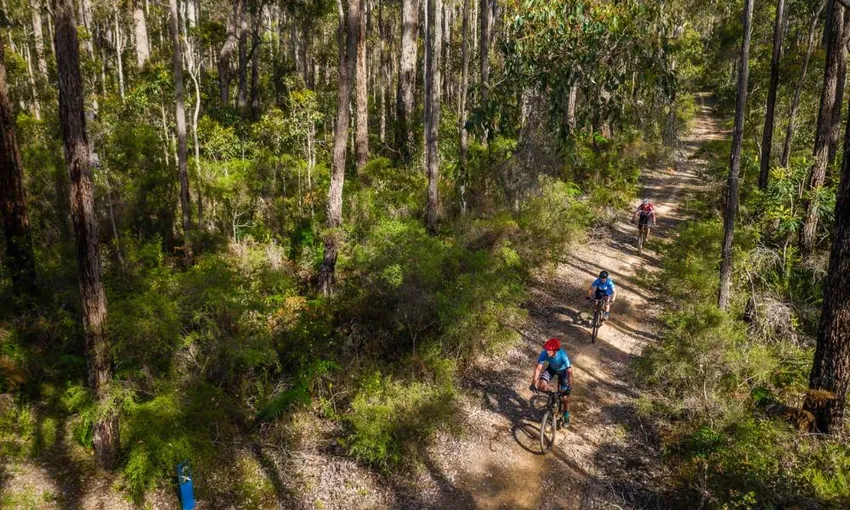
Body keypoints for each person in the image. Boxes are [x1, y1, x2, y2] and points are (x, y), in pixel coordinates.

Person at [529, 337, 573, 426]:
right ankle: (553, 396)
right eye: (547, 350)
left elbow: (569, 372)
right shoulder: (544, 353)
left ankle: (566, 414)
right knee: (541, 386)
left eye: (549, 350)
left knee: (565, 397)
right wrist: (533, 383)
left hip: (563, 372)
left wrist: (569, 387)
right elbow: (538, 369)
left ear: (555, 351)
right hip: (551, 369)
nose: (547, 351)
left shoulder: (563, 355)